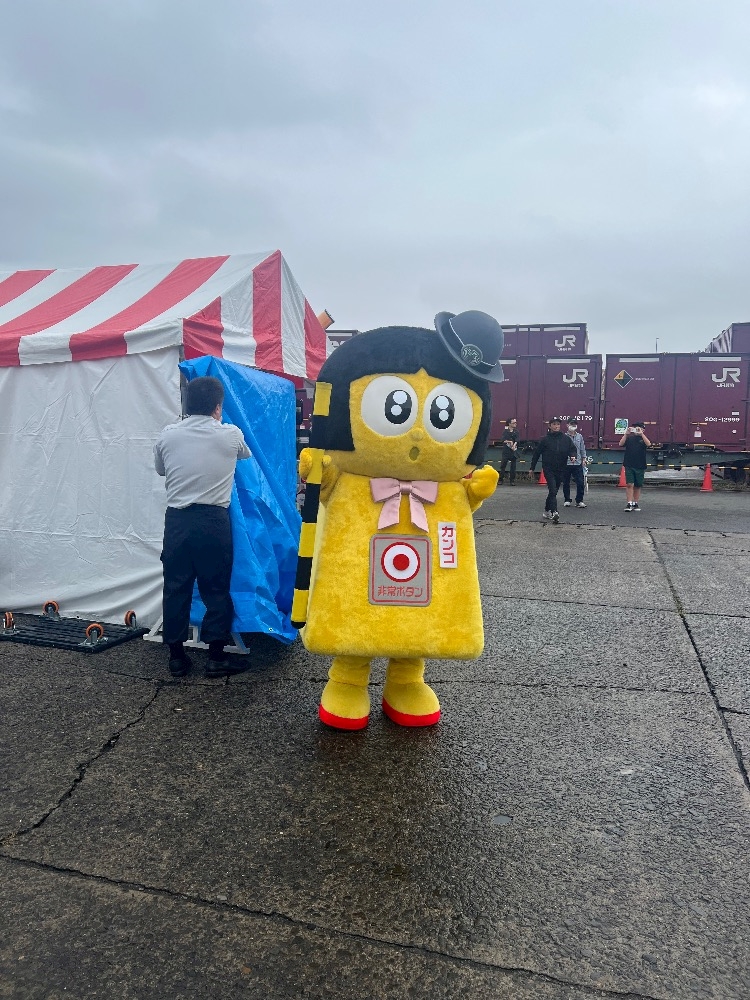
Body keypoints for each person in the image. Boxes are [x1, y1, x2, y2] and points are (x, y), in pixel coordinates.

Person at [154, 376, 252, 678]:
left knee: (175, 588)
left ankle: (176, 657)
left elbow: (160, 469)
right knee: (216, 589)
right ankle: (216, 657)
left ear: (186, 404)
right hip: (213, 521)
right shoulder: (231, 434)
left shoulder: (168, 435)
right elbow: (245, 454)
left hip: (177, 521)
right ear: (218, 407)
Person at [530, 417, 576, 522]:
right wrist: (532, 468)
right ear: (550, 426)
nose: (556, 426)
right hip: (548, 468)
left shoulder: (565, 439)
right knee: (552, 489)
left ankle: (547, 511)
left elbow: (572, 449)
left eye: (558, 424)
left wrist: (573, 455)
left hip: (561, 468)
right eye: (554, 424)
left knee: (553, 492)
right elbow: (537, 454)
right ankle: (555, 512)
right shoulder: (545, 440)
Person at [619, 421, 651, 511]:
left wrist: (641, 434)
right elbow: (620, 444)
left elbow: (649, 444)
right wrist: (626, 434)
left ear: (643, 429)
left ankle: (635, 503)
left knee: (638, 485)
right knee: (629, 484)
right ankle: (629, 503)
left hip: (640, 465)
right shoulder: (630, 438)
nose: (636, 430)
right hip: (629, 464)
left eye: (638, 428)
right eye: (635, 428)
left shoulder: (643, 439)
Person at [562, 418, 588, 508]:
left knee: (580, 482)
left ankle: (579, 500)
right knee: (566, 482)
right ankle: (567, 500)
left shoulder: (579, 436)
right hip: (566, 463)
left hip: (578, 463)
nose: (573, 426)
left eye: (574, 424)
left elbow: (582, 449)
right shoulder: (564, 437)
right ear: (567, 425)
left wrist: (584, 459)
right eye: (571, 424)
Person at [499, 417, 519, 485]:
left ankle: (512, 481)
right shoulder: (505, 432)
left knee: (513, 467)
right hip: (506, 451)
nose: (515, 424)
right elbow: (503, 440)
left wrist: (514, 445)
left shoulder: (516, 432)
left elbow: (517, 440)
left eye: (516, 422)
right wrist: (510, 442)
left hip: (513, 451)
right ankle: (501, 480)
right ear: (509, 423)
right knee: (503, 465)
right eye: (514, 423)